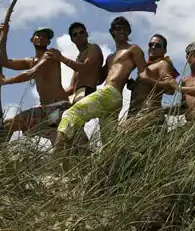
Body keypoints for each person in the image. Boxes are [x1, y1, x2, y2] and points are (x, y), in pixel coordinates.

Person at [55, 16, 148, 156]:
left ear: (129, 31)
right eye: (118, 28)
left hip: (111, 93)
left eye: (125, 28)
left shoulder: (133, 49)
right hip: (110, 98)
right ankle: (132, 160)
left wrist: (137, 87)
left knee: (69, 114)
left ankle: (56, 157)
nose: (122, 31)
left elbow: (144, 73)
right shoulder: (110, 57)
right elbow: (98, 79)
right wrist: (90, 64)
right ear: (112, 32)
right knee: (109, 145)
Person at [0, 26, 70, 144]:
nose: (41, 37)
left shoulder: (51, 54)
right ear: (32, 40)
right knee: (8, 125)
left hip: (59, 107)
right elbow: (3, 61)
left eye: (45, 36)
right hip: (44, 109)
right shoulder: (30, 61)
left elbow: (31, 73)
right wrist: (3, 37)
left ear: (48, 42)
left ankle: (63, 142)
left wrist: (4, 81)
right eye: (38, 35)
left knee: (59, 141)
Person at [125, 33, 179, 127]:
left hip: (150, 116)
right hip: (135, 116)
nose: (153, 47)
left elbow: (171, 89)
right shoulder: (146, 66)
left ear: (164, 50)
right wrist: (134, 86)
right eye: (151, 44)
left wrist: (148, 80)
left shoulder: (162, 64)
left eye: (157, 46)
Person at [56, 22, 104, 105]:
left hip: (87, 91)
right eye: (75, 34)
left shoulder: (93, 48)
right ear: (72, 39)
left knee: (73, 113)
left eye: (81, 32)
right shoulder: (78, 59)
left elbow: (85, 67)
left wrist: (61, 58)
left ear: (86, 34)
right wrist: (55, 96)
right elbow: (72, 87)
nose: (79, 35)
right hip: (76, 95)